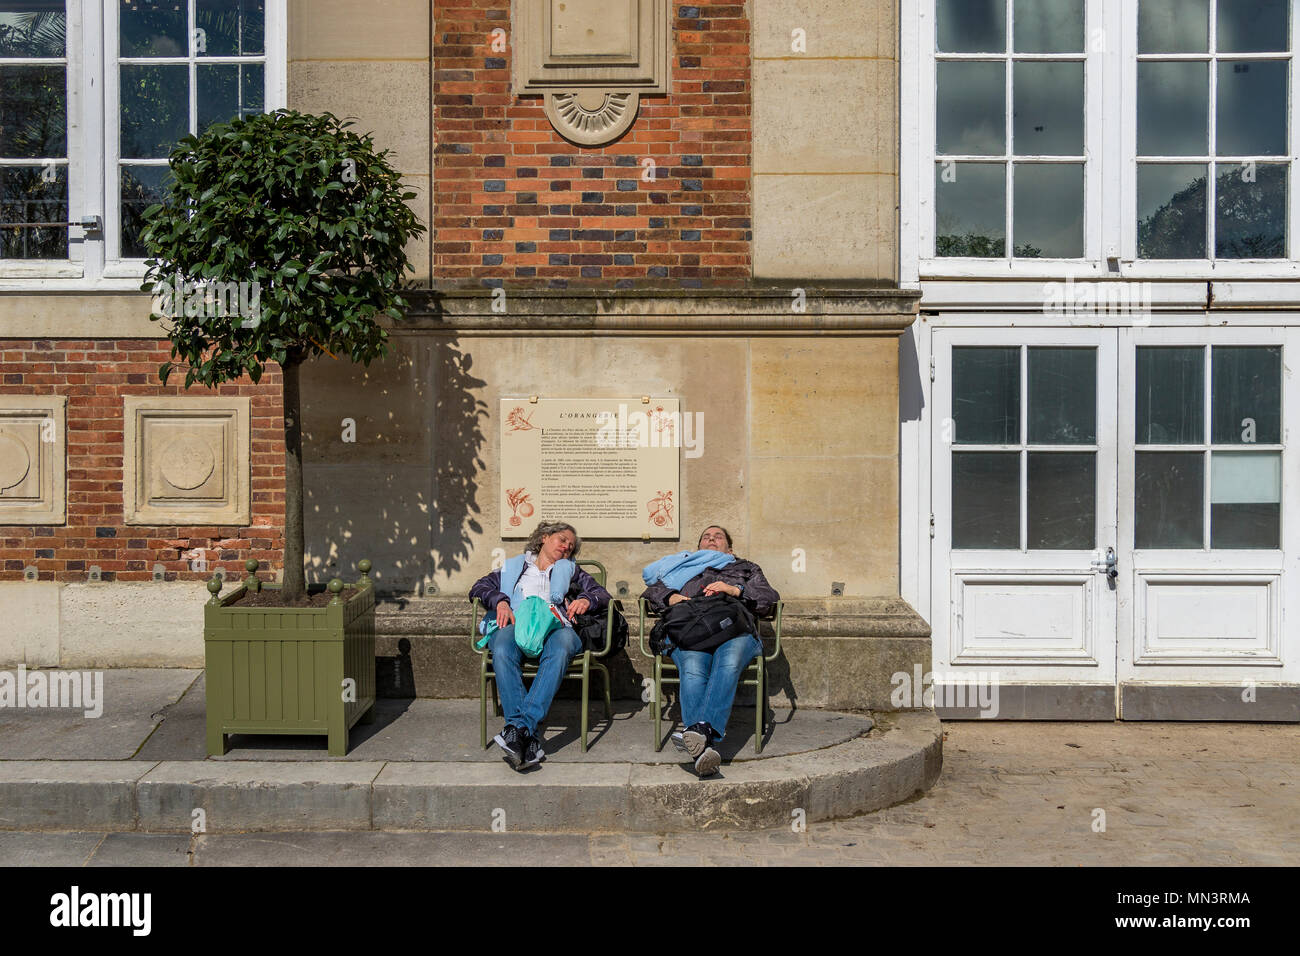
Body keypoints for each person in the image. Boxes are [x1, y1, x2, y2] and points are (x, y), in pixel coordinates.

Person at [469, 521, 610, 771]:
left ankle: (518, 729)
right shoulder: (514, 566)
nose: (567, 547)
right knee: (500, 648)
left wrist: (587, 600)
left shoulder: (571, 570)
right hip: (516, 622)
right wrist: (500, 602)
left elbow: (601, 593)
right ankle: (528, 737)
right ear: (544, 538)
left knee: (563, 646)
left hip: (558, 625)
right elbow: (479, 588)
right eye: (562, 540)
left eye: (571, 546)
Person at [641, 525, 779, 776]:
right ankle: (704, 749)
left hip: (735, 631)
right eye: (706, 536)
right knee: (693, 669)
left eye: (718, 537)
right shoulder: (682, 566)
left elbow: (768, 597)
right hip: (691, 631)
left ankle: (699, 736)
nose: (712, 539)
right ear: (699, 546)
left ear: (730, 548)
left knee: (728, 661)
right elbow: (651, 591)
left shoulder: (746, 568)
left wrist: (734, 590)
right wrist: (671, 596)